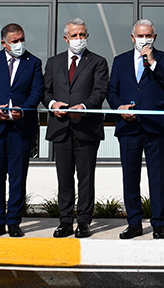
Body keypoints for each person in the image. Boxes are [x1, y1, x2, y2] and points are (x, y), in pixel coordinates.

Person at [107, 19, 164, 240]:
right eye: (140, 36)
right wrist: (119, 107)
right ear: (132, 37)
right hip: (129, 126)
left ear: (154, 37)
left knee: (157, 176)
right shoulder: (120, 61)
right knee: (130, 177)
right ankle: (134, 223)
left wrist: (153, 62)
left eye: (148, 36)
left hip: (156, 126)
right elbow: (111, 91)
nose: (144, 40)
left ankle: (158, 224)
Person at [0, 23, 44, 238]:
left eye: (22, 39)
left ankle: (13, 222)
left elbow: (37, 91)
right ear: (4, 43)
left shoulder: (34, 62)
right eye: (15, 41)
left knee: (18, 177)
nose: (20, 44)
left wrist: (24, 110)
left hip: (20, 129)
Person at [44, 18, 109, 239]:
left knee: (86, 177)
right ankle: (65, 221)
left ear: (87, 36)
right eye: (74, 35)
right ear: (66, 38)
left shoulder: (98, 61)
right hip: (60, 127)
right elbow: (45, 91)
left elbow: (100, 91)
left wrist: (84, 106)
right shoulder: (53, 62)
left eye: (82, 35)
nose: (79, 39)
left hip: (86, 128)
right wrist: (53, 105)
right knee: (64, 178)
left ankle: (83, 221)